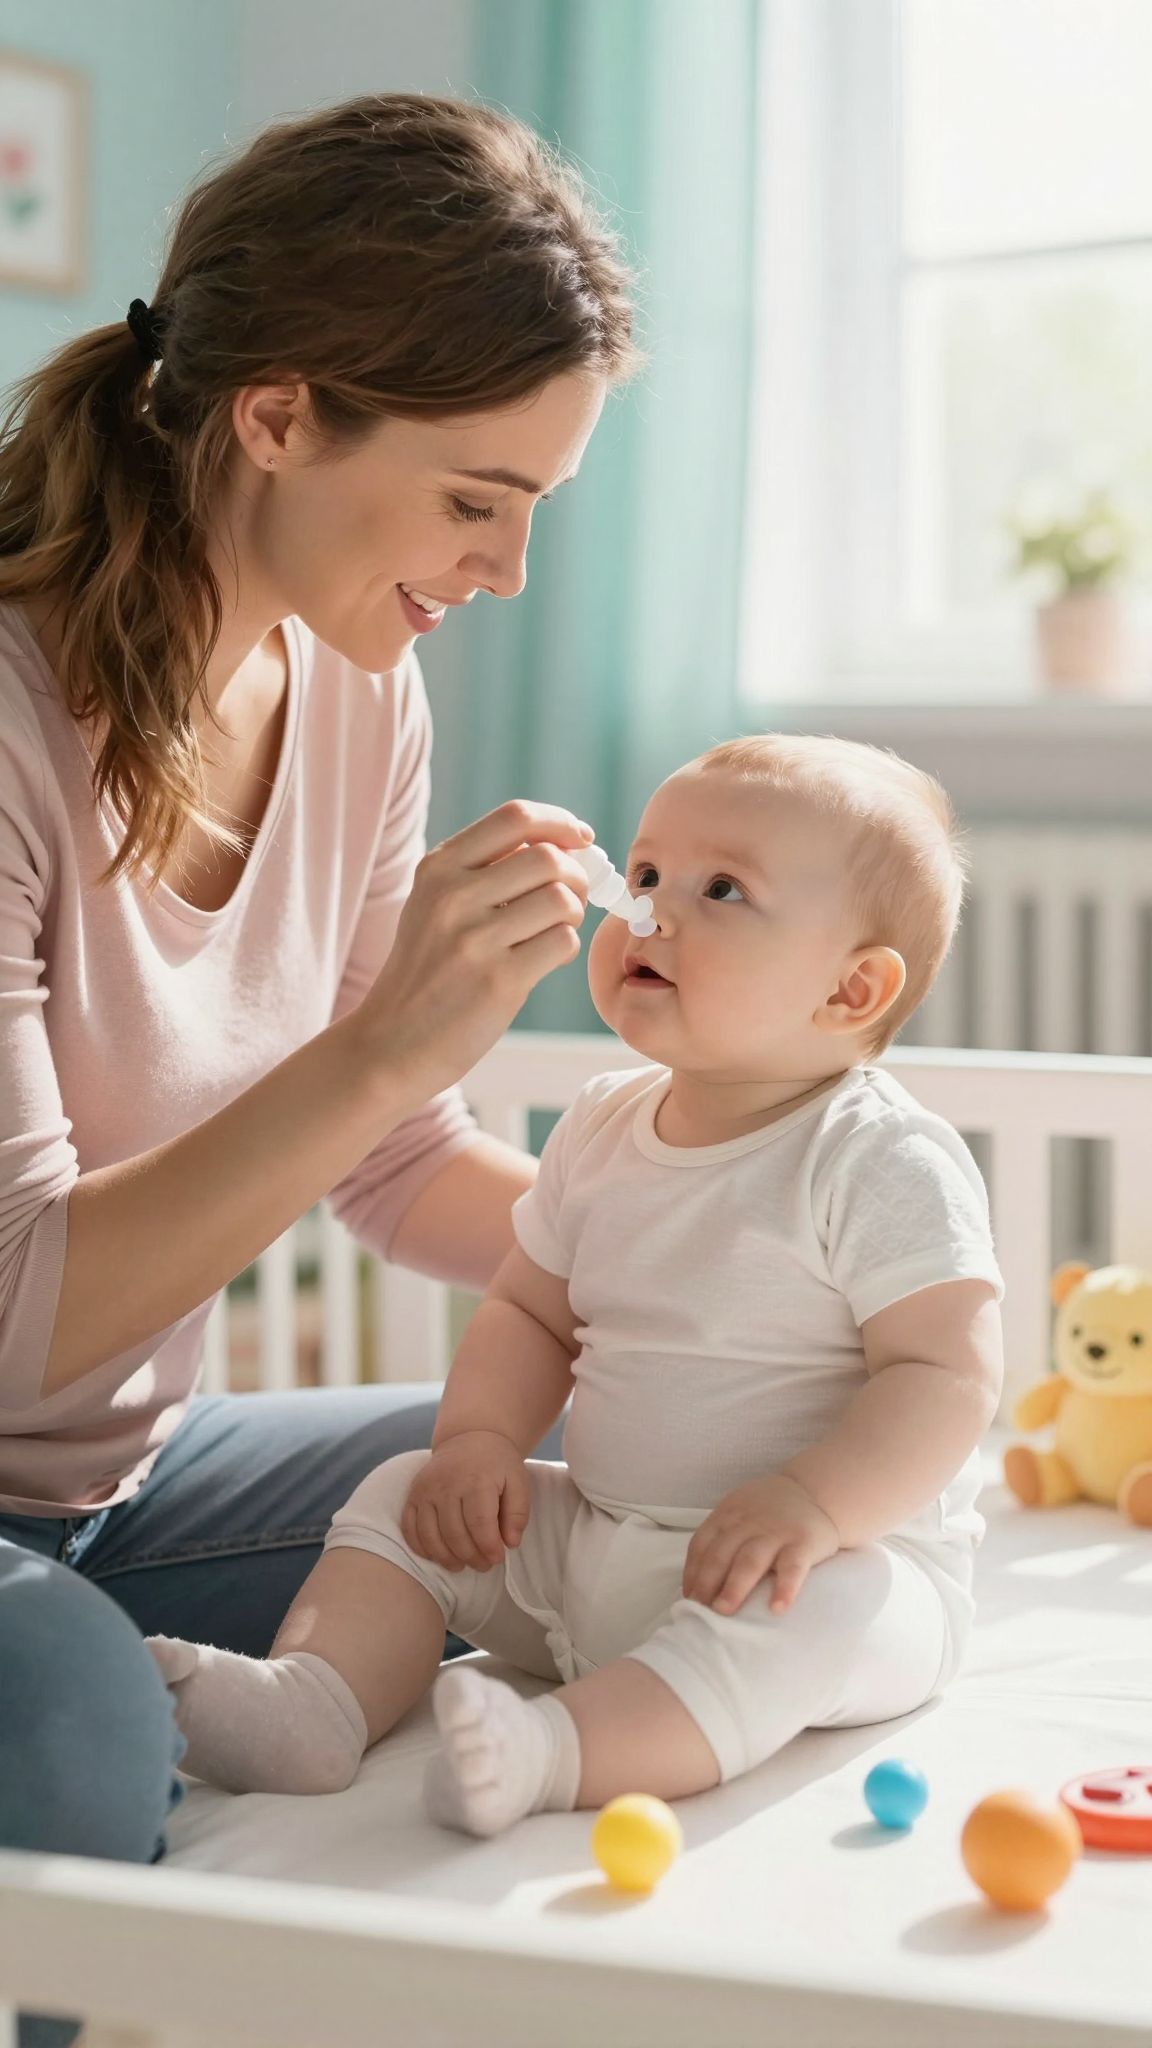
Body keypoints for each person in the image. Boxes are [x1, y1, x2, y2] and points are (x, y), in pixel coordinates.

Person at [0, 87, 637, 2038]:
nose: (508, 575)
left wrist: (667, 1254)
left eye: (540, 510)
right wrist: (374, 1049)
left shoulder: (359, 687)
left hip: (122, 1474)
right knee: (67, 1724)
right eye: (476, 500)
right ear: (276, 416)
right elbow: (25, 1315)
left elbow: (399, 1161)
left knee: (582, 1477)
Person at [149, 736, 1006, 1832]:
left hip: (811, 1564)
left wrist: (814, 1504)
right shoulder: (600, 1124)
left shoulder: (879, 1155)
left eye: (722, 888)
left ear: (852, 987)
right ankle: (319, 1701)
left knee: (833, 1609)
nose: (647, 912)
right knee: (402, 1492)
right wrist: (476, 1442)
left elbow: (944, 1373)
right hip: (598, 1545)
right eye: (645, 874)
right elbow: (525, 1309)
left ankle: (552, 1749)